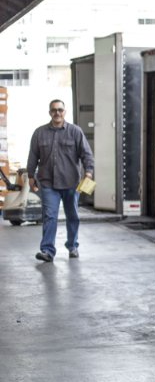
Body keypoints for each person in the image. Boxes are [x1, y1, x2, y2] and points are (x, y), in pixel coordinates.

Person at [27, 99, 94, 262]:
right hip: (48, 182)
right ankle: (47, 251)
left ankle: (73, 246)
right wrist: (30, 175)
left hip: (72, 182)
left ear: (65, 112)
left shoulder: (75, 132)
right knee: (49, 216)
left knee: (73, 216)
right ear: (49, 112)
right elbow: (33, 155)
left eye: (60, 110)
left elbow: (87, 154)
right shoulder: (39, 133)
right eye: (54, 110)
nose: (57, 113)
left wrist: (89, 173)